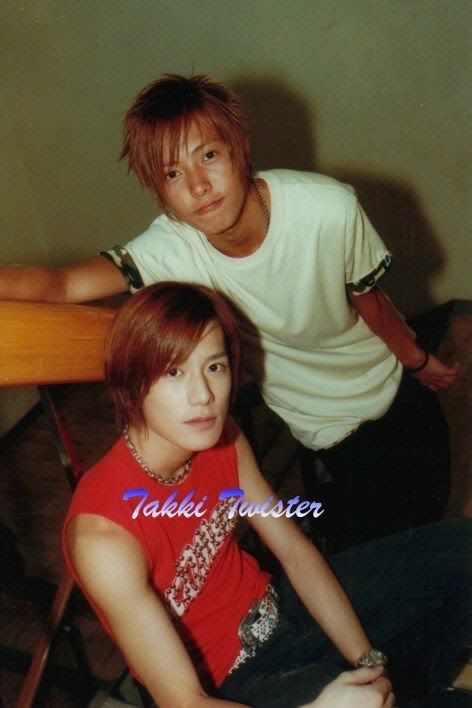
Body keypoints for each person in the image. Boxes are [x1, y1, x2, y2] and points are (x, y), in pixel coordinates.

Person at [3, 74, 459, 549]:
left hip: (389, 381)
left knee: (432, 509)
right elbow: (62, 283)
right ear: (158, 190)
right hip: (324, 423)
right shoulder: (169, 247)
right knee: (391, 544)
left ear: (239, 148)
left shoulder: (327, 208)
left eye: (208, 156)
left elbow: (371, 302)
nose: (198, 186)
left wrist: (418, 361)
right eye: (172, 174)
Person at [63, 282, 470, 708]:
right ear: (130, 382)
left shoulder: (222, 439)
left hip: (282, 609)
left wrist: (367, 662)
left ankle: (414, 687)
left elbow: (294, 551)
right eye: (173, 372)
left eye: (214, 367)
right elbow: (184, 702)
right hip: (228, 683)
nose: (203, 396)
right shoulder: (102, 539)